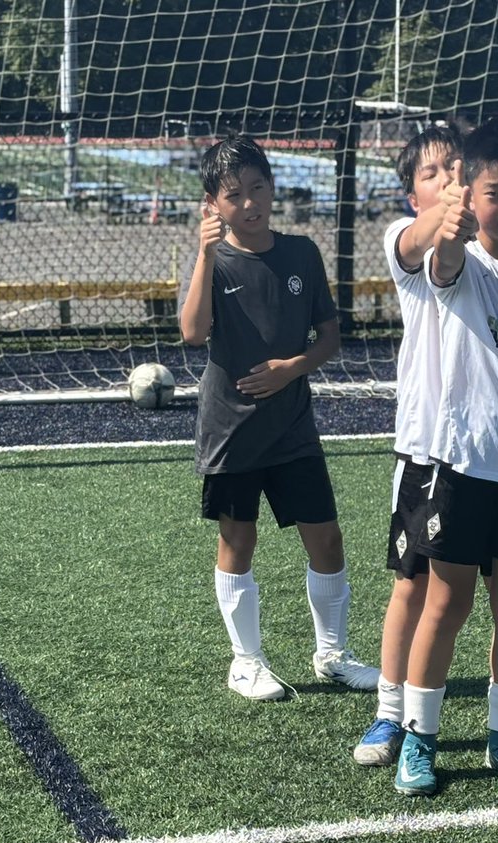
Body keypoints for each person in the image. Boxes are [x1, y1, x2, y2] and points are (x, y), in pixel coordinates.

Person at [353, 124, 498, 768]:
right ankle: (401, 723)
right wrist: (453, 224)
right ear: (417, 192)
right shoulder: (436, 252)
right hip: (440, 458)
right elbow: (447, 257)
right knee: (428, 591)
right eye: (437, 176)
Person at [180, 136, 379, 700]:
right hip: (232, 431)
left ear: (273, 187)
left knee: (328, 539)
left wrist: (294, 367)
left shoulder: (301, 254)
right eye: (234, 194)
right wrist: (202, 254)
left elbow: (330, 337)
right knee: (238, 542)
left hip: (294, 428)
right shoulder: (214, 261)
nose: (249, 202)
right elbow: (193, 333)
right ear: (212, 205)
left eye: (258, 187)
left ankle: (333, 656)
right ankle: (246, 662)